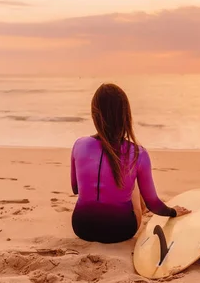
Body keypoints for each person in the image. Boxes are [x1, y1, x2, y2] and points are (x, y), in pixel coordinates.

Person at [70, 83, 191, 243]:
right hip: (121, 230)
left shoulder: (79, 144)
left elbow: (76, 188)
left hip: (82, 227)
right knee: (131, 182)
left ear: (94, 114)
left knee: (122, 180)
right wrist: (172, 212)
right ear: (126, 116)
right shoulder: (138, 153)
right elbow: (153, 204)